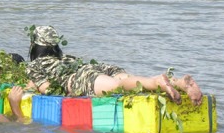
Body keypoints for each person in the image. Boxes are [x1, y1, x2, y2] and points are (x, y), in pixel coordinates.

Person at [21, 25, 203, 105]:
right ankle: (177, 82)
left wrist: (32, 86)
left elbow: (49, 89)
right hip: (94, 68)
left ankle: (157, 82)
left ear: (34, 46)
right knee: (127, 80)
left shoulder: (34, 66)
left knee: (117, 87)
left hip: (78, 78)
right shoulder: (67, 57)